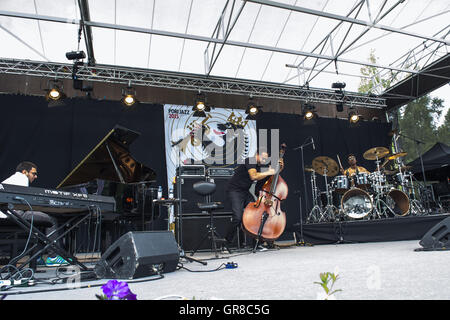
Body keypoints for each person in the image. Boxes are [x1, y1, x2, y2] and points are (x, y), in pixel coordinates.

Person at [1, 161, 69, 267]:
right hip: (11, 214)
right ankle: (53, 257)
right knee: (49, 220)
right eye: (33, 173)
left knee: (40, 221)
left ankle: (37, 257)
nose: (36, 176)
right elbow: (23, 203)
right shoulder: (21, 178)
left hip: (7, 214)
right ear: (24, 172)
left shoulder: (11, 179)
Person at [224, 149, 284, 251]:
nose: (265, 160)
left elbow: (271, 175)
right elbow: (253, 176)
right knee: (237, 217)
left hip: (245, 191)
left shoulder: (260, 165)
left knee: (258, 215)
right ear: (257, 155)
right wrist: (269, 171)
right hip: (234, 190)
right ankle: (225, 243)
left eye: (266, 158)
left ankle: (257, 243)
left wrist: (279, 167)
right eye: (263, 158)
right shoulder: (250, 160)